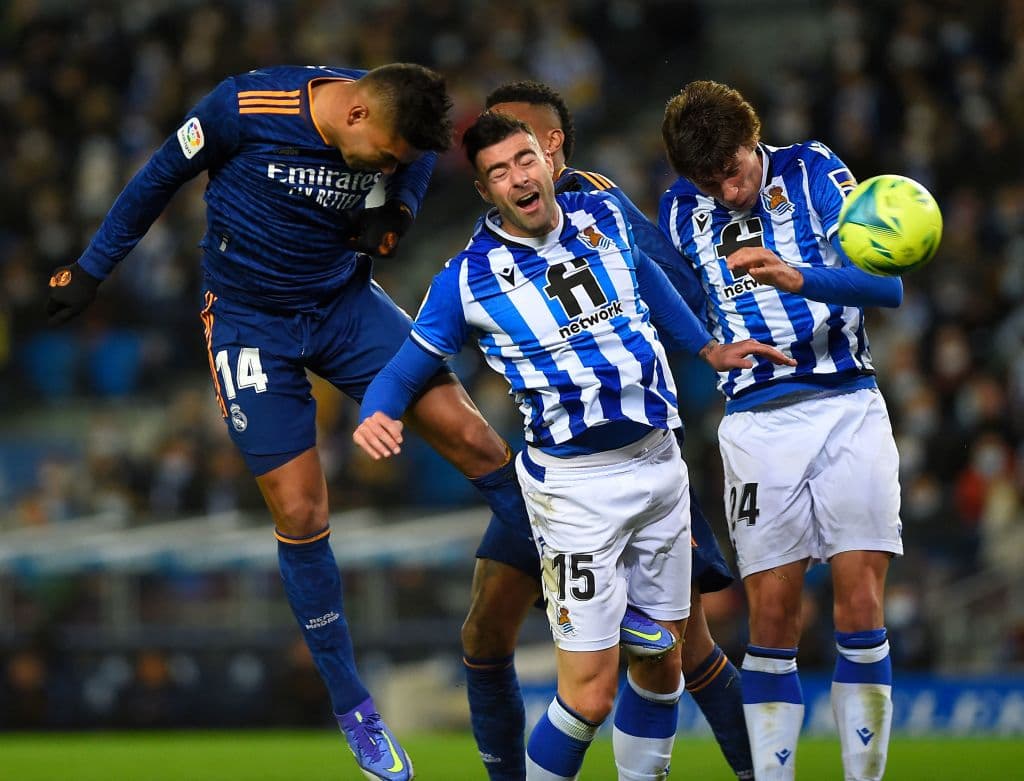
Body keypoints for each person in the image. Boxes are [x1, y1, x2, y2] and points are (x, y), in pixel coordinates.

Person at [47, 62, 507, 781]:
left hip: (344, 308)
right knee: (299, 510)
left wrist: (404, 207)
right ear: (355, 116)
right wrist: (92, 269)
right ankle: (354, 705)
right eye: (387, 156)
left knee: (478, 439)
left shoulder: (386, 116)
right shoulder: (245, 107)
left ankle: (584, 576)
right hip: (249, 323)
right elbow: (159, 177)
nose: (391, 167)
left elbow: (410, 165)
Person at [352, 111, 793, 781]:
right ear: (485, 191)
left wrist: (707, 346)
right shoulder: (468, 277)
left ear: (545, 160)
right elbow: (409, 365)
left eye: (523, 160)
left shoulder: (602, 217)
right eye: (498, 171)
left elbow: (650, 283)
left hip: (659, 466)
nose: (518, 177)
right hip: (575, 491)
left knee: (665, 663)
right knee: (589, 693)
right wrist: (378, 411)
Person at [464, 80, 753, 781]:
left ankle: (760, 772)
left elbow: (677, 285)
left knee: (687, 650)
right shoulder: (497, 235)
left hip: (636, 447)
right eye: (497, 156)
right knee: (483, 631)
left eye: (523, 142)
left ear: (552, 143)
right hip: (557, 468)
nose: (513, 162)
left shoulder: (598, 202)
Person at [659, 80, 904, 781]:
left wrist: (802, 279)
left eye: (733, 172)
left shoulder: (814, 170)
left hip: (846, 405)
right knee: (770, 615)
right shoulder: (681, 208)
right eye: (710, 182)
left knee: (859, 596)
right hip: (755, 426)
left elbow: (888, 287)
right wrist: (705, 346)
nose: (727, 192)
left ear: (752, 141)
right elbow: (667, 292)